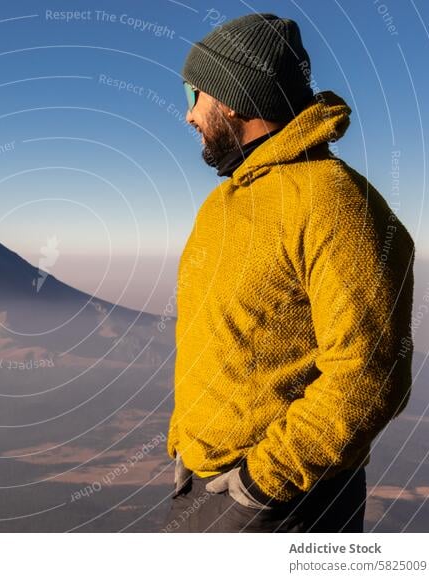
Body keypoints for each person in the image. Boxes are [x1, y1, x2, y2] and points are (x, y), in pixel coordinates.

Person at [163, 13, 415, 533]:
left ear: (231, 96)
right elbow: (216, 339)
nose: (187, 116)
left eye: (192, 94)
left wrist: (261, 483)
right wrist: (187, 445)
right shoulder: (225, 204)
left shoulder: (334, 203)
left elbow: (370, 372)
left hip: (286, 503)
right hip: (204, 482)